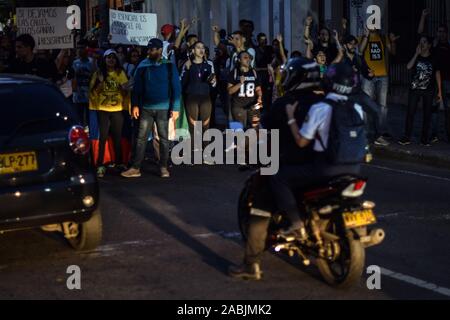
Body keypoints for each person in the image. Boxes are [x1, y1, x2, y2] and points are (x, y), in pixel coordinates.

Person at [229, 62, 366, 280]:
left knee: (260, 209)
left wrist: (243, 147)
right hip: (335, 167)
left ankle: (251, 264)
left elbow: (262, 133)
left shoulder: (284, 104)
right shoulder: (329, 102)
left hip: (300, 167)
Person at [121, 38, 181, 179]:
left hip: (164, 109)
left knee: (163, 139)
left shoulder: (169, 66)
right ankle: (135, 168)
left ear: (160, 50)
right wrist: (135, 105)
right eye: (148, 49)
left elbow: (176, 88)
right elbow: (137, 88)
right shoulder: (143, 65)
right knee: (140, 138)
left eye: (152, 49)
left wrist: (176, 107)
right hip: (145, 108)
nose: (149, 52)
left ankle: (163, 167)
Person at [335, 35, 389, 146]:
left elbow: (366, 72)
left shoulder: (359, 58)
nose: (353, 46)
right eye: (350, 43)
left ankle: (378, 137)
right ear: (345, 45)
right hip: (345, 93)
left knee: (377, 110)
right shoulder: (341, 58)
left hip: (358, 92)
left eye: (355, 43)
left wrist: (370, 74)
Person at [89, 49, 130, 178]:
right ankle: (100, 165)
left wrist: (124, 89)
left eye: (113, 57)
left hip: (117, 110)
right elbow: (93, 93)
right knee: (103, 138)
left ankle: (118, 163)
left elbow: (125, 92)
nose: (111, 60)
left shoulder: (120, 73)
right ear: (104, 60)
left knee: (117, 138)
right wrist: (100, 82)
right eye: (108, 58)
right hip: (103, 110)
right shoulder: (98, 73)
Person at [398, 36, 442, 146]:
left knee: (427, 115)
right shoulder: (416, 56)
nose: (422, 44)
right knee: (410, 113)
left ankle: (424, 139)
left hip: (429, 90)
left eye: (424, 42)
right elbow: (408, 67)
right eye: (420, 42)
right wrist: (416, 54)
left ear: (429, 45)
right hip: (415, 89)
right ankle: (407, 137)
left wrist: (440, 91)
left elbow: (437, 74)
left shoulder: (433, 58)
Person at [359, 26, 400, 139]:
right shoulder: (363, 36)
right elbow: (360, 50)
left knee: (382, 106)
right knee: (367, 105)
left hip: (383, 75)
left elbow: (392, 52)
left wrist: (392, 42)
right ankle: (367, 132)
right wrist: (366, 36)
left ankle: (380, 132)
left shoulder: (382, 37)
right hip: (368, 76)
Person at [418, 9, 450, 143]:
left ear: (447, 33)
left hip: (447, 80)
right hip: (433, 81)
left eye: (443, 32)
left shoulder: (449, 46)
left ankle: (448, 134)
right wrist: (423, 16)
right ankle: (434, 134)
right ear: (437, 33)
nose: (441, 34)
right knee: (434, 108)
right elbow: (420, 32)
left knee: (448, 109)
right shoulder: (433, 44)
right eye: (439, 31)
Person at [181, 41, 216, 148]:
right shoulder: (187, 64)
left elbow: (214, 85)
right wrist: (186, 69)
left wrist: (213, 81)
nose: (201, 50)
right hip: (192, 97)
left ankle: (206, 152)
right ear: (193, 51)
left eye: (203, 48)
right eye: (198, 47)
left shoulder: (209, 65)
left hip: (205, 97)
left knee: (205, 125)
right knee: (193, 125)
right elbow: (181, 83)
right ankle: (193, 152)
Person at [227, 51, 263, 129]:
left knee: (256, 129)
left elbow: (258, 88)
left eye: (249, 57)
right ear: (239, 60)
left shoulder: (254, 72)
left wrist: (259, 97)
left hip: (252, 106)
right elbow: (230, 91)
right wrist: (240, 83)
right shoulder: (234, 73)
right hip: (238, 107)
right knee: (240, 131)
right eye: (245, 57)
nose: (248, 59)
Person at [72, 43, 96, 127]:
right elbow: (72, 77)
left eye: (81, 48)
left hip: (89, 94)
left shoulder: (91, 62)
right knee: (79, 116)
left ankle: (91, 134)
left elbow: (94, 75)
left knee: (90, 117)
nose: (79, 50)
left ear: (86, 49)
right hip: (78, 95)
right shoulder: (75, 63)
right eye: (78, 48)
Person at [255, 33, 274, 111]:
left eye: (265, 39)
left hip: (268, 75)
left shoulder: (269, 49)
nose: (264, 41)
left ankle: (267, 111)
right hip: (259, 75)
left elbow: (273, 60)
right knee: (259, 93)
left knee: (268, 94)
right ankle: (259, 110)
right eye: (262, 39)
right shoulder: (255, 49)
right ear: (258, 40)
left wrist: (268, 68)